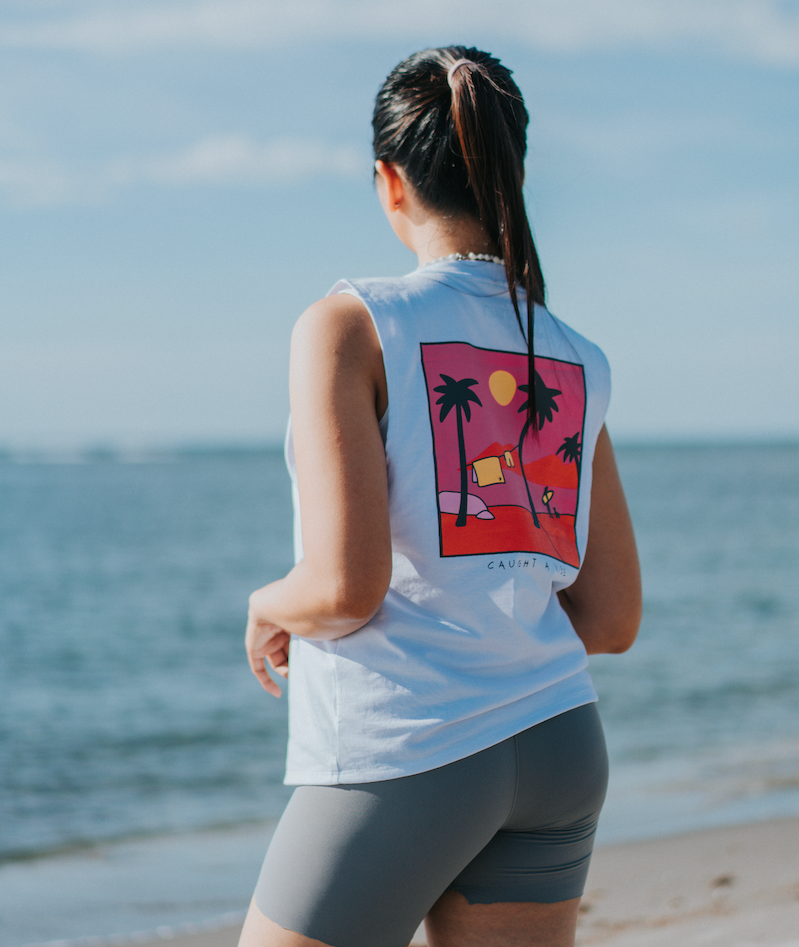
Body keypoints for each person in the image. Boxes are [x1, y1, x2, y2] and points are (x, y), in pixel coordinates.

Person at [238, 47, 641, 947]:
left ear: (390, 181)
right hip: (559, 745)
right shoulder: (574, 355)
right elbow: (612, 618)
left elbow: (346, 589)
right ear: (516, 170)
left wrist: (266, 602)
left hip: (408, 747)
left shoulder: (351, 325)